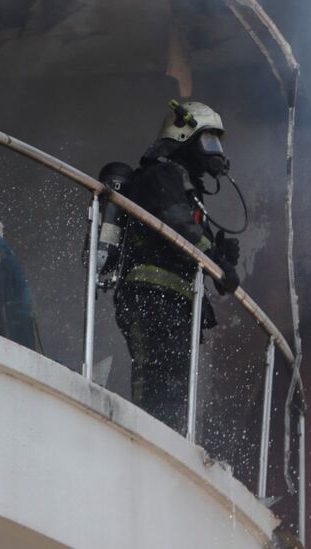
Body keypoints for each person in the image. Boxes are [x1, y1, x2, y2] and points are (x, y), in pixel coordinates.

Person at [113, 100, 240, 432]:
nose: (216, 150)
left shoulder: (185, 187)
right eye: (209, 141)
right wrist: (214, 256)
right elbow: (178, 223)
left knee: (174, 384)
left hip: (174, 302)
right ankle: (148, 440)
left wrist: (222, 257)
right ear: (184, 134)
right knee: (157, 378)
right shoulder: (160, 175)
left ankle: (167, 440)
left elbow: (195, 238)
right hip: (151, 296)